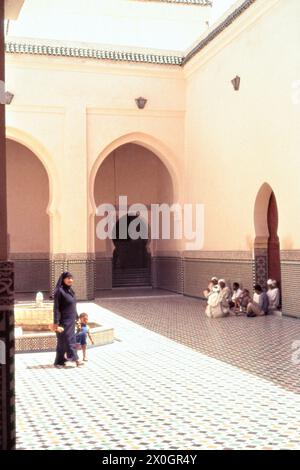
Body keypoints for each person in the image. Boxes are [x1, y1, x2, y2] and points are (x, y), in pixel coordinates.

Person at [52, 271, 83, 368]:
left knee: (62, 341)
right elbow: (56, 308)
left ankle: (59, 361)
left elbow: (73, 306)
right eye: (68, 278)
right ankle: (76, 359)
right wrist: (56, 322)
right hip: (63, 320)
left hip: (71, 319)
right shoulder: (59, 291)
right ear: (63, 279)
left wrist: (77, 318)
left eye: (71, 278)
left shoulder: (70, 291)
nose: (70, 280)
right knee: (69, 340)